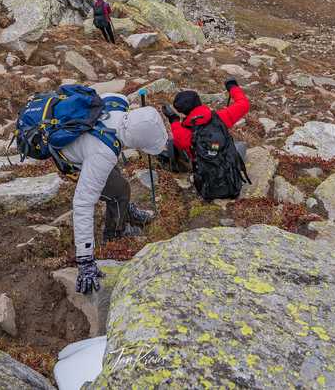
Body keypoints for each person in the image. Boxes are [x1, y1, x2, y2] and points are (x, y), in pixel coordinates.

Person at [62, 94, 167, 294]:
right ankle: (113, 234)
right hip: (71, 156)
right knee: (120, 191)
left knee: (116, 178)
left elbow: (115, 96)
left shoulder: (117, 107)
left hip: (86, 143)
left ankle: (125, 211)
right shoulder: (103, 153)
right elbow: (83, 203)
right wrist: (85, 260)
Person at [163, 79, 250, 159]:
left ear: (182, 112)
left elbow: (179, 141)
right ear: (199, 101)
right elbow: (244, 104)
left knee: (172, 143)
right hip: (224, 161)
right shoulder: (220, 117)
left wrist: (173, 120)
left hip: (202, 168)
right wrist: (232, 87)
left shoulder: (184, 132)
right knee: (240, 145)